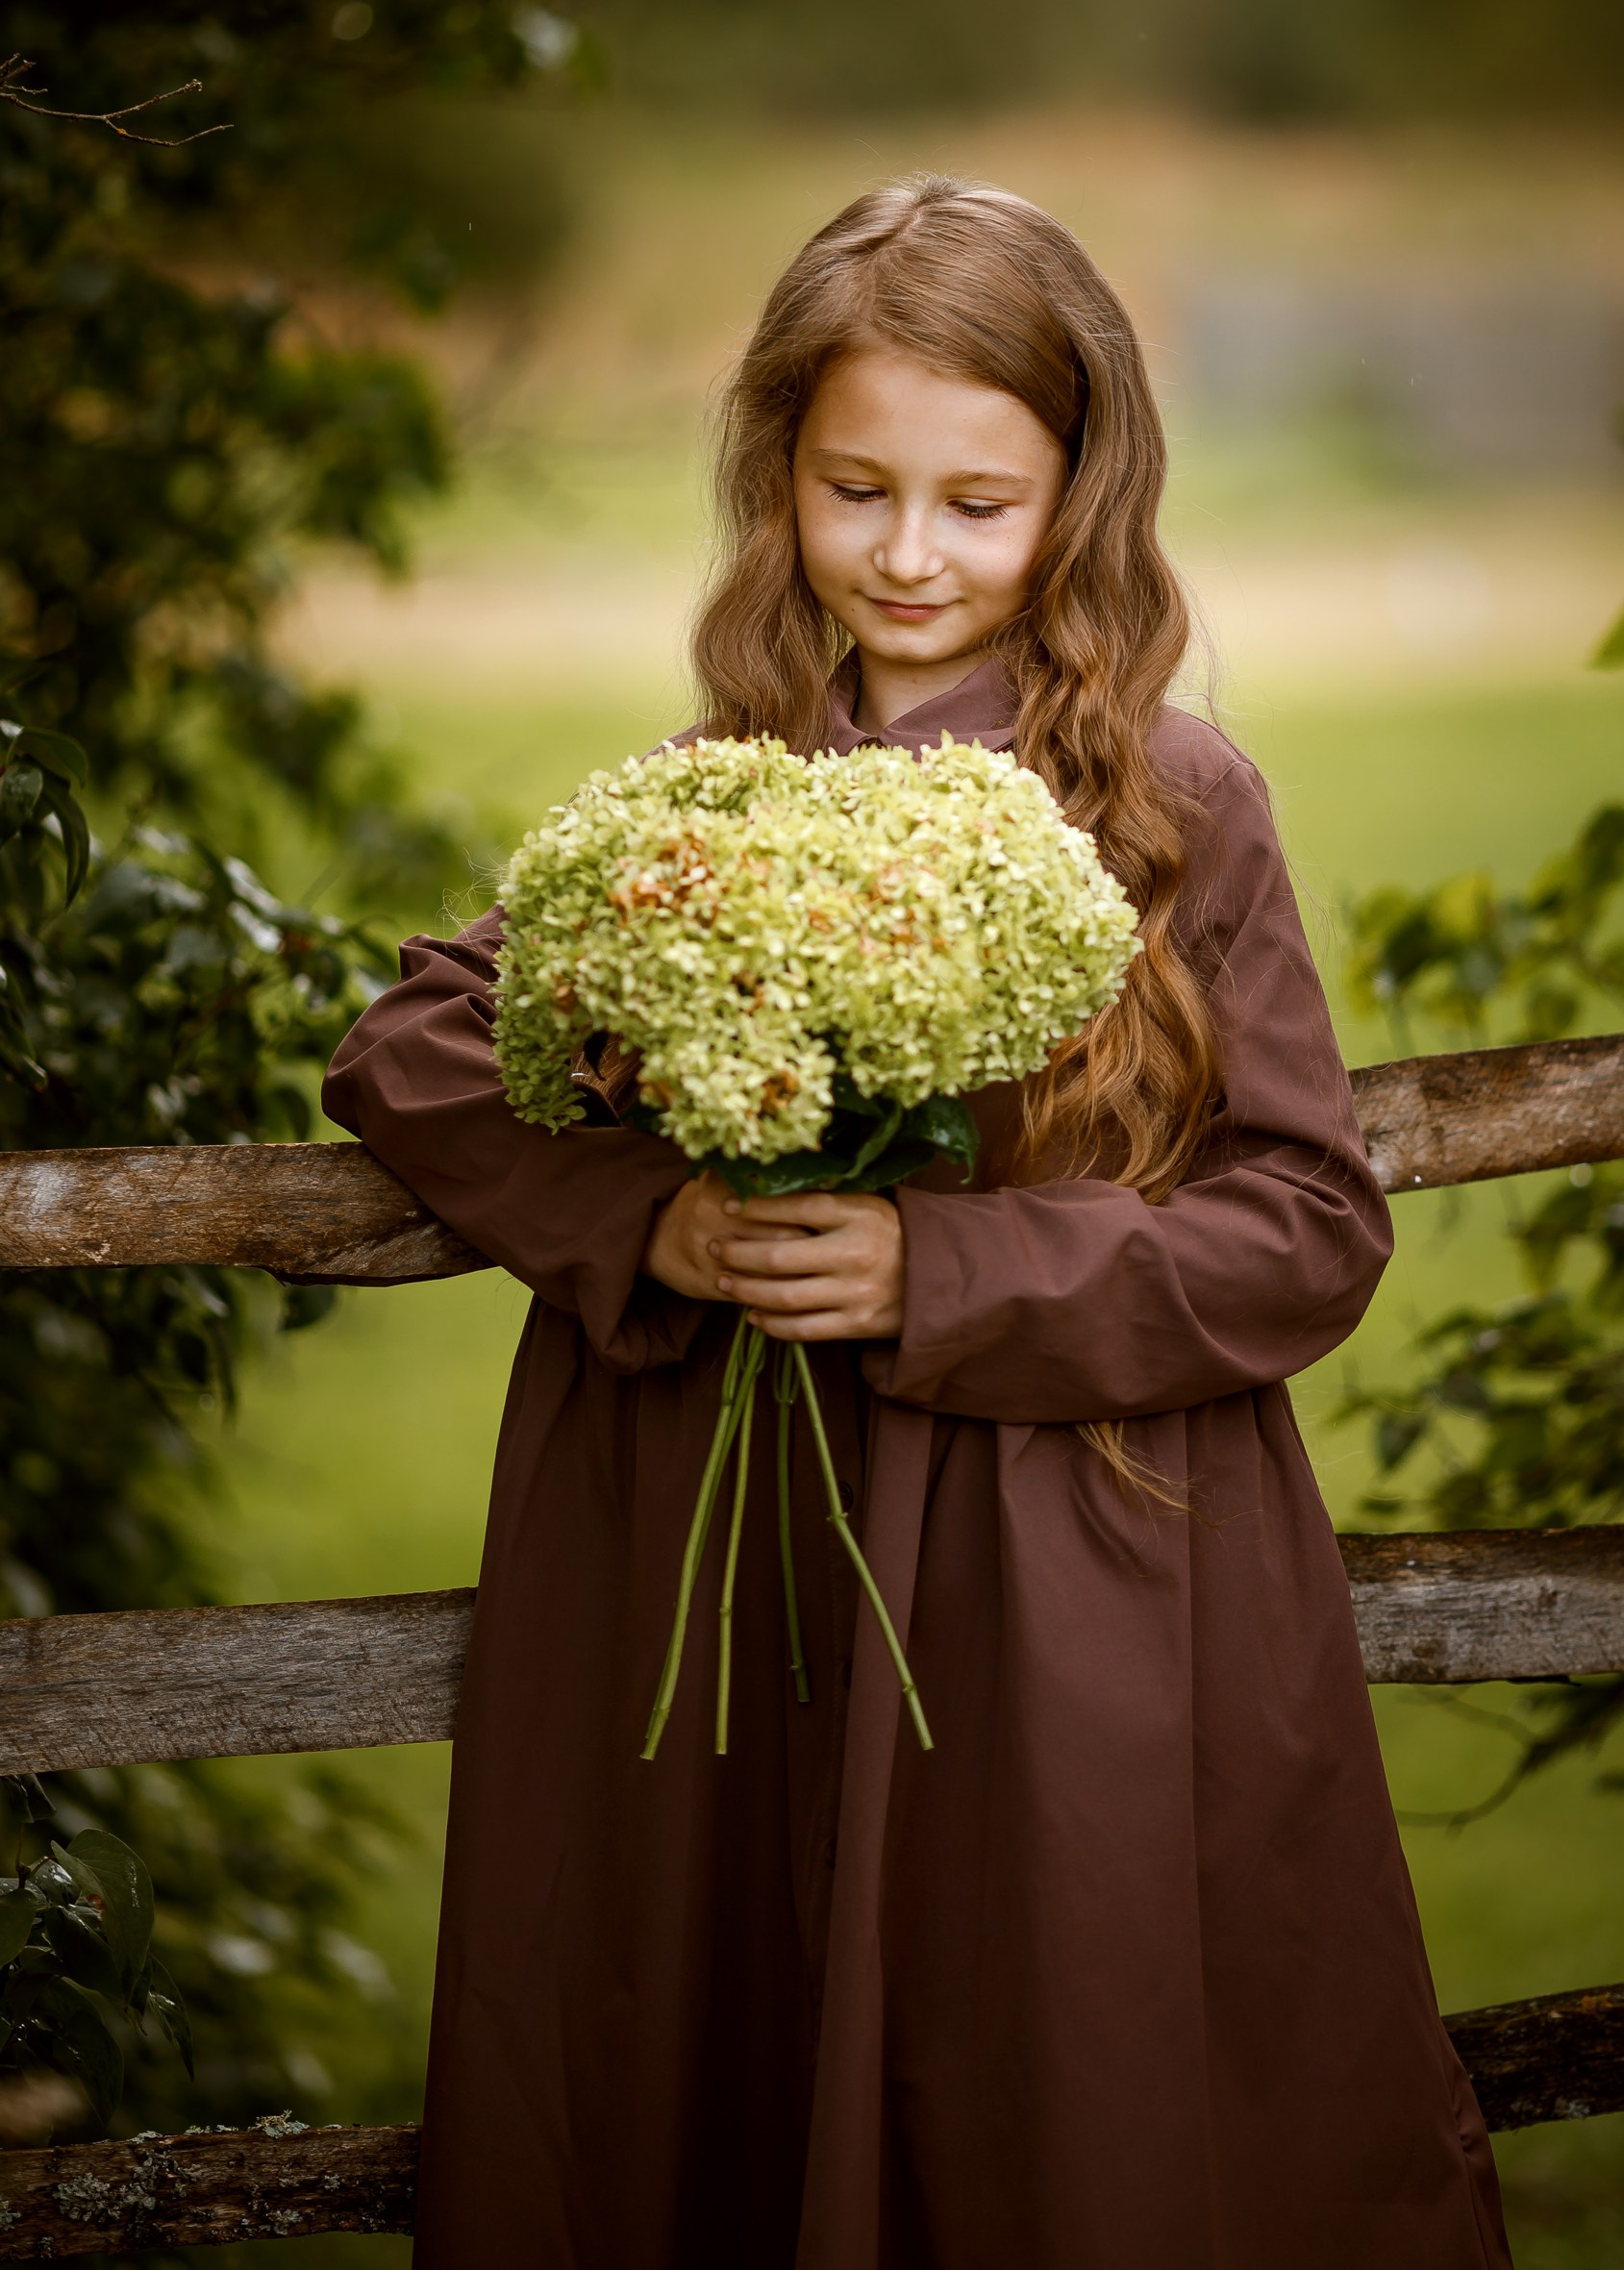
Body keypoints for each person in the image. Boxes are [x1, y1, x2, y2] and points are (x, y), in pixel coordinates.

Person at [323, 177, 1512, 2270]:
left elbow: (1307, 1221)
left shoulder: (1168, 803)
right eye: (851, 488)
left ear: (1081, 494)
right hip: (743, 1561)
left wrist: (940, 1264)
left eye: (979, 502)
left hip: (1061, 1573)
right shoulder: (715, 797)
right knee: (724, 2038)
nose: (905, 554)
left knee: (1042, 2068)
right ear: (776, 478)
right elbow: (415, 1048)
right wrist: (656, 1219)